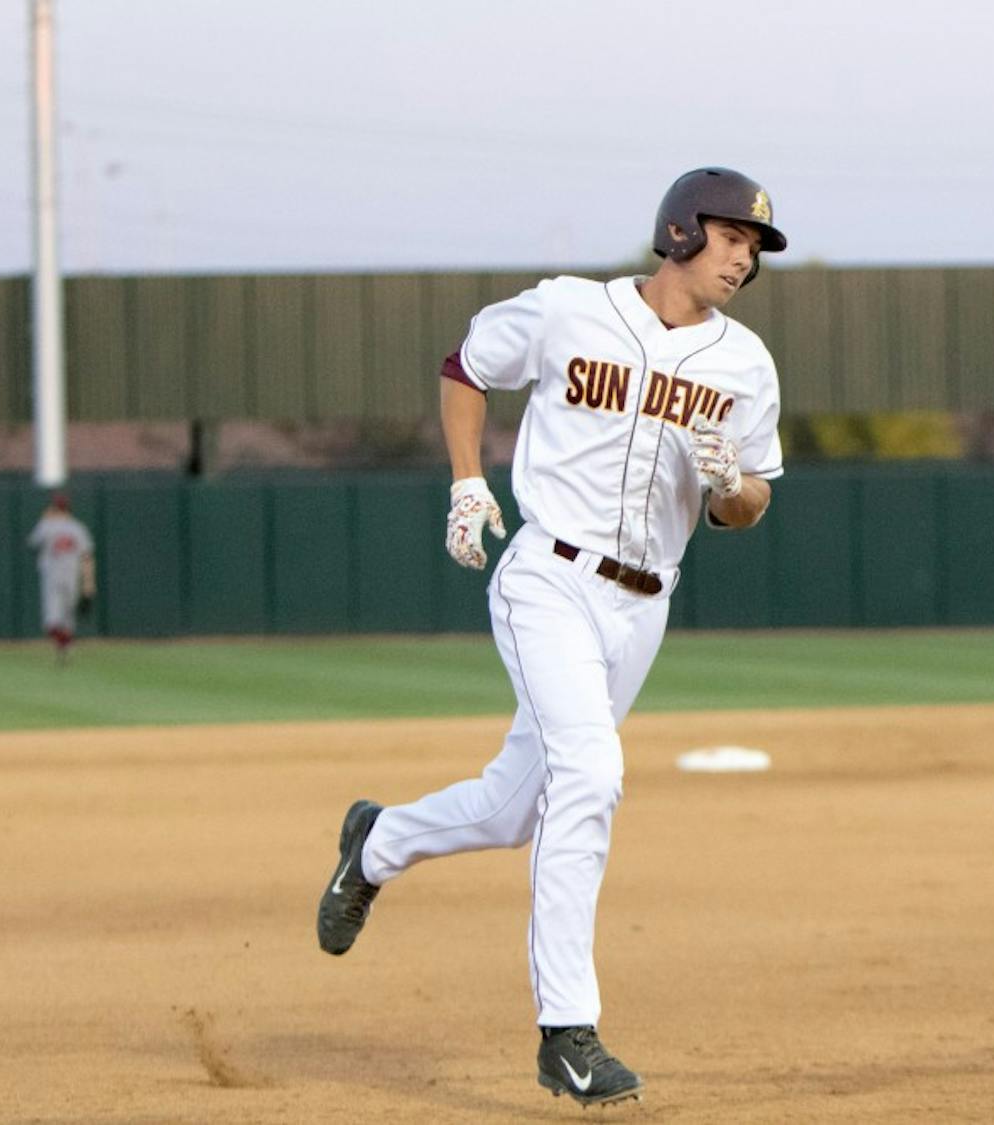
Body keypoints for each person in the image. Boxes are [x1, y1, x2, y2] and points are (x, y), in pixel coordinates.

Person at [317, 167, 787, 1107]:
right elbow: (468, 367)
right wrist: (464, 479)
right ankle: (566, 1031)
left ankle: (376, 843)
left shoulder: (747, 366)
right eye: (733, 236)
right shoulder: (572, 311)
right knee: (593, 774)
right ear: (682, 229)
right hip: (548, 577)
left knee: (516, 807)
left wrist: (730, 483)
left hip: (645, 602)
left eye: (755, 247)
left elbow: (752, 505)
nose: (745, 257)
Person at [25, 492, 96, 663]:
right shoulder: (78, 528)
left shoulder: (46, 525)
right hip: (72, 577)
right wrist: (89, 583)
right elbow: (87, 557)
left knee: (52, 620)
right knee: (68, 619)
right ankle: (65, 648)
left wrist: (44, 518)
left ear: (54, 508)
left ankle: (63, 646)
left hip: (52, 576)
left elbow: (32, 542)